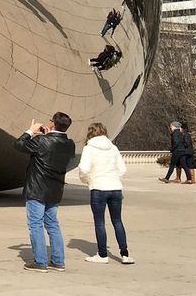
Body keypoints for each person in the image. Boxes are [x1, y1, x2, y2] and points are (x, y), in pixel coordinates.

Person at [14, 112, 75, 272]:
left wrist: (31, 131)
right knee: (52, 224)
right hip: (55, 190)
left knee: (35, 224)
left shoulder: (41, 141)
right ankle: (58, 261)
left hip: (37, 189)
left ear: (53, 123)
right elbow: (53, 151)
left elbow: (19, 144)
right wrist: (47, 136)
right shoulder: (70, 144)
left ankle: (40, 262)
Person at [78, 122, 133, 264]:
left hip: (98, 187)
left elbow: (84, 169)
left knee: (100, 222)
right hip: (115, 187)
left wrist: (87, 180)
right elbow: (122, 169)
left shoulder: (89, 148)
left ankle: (102, 254)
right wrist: (114, 178)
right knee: (117, 221)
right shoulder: (113, 148)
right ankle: (125, 254)